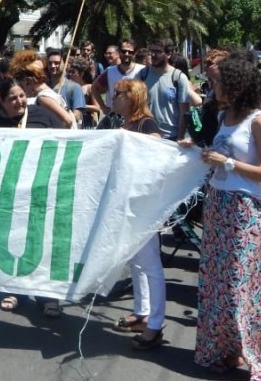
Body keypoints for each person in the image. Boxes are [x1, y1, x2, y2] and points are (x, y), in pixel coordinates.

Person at [195, 57, 261, 380]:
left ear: (237, 87)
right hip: (217, 204)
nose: (214, 88)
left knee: (243, 286)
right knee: (217, 285)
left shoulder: (258, 120)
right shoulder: (221, 115)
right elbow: (216, 155)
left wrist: (228, 163)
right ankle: (225, 349)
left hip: (244, 209)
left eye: (220, 84)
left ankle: (258, 355)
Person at [0, 79, 67, 317]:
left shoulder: (43, 115)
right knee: (13, 240)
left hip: (40, 188)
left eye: (21, 96)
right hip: (10, 191)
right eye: (12, 98)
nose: (19, 101)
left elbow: (65, 142)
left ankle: (48, 296)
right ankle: (14, 289)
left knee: (41, 242)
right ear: (3, 102)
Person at [102, 79, 166, 350]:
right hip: (126, 202)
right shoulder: (124, 124)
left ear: (132, 97)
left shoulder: (146, 124)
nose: (113, 97)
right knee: (136, 262)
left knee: (150, 264)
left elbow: (159, 152)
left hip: (143, 204)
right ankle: (142, 312)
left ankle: (155, 325)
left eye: (117, 93)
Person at [140, 39, 192, 142]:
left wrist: (180, 137)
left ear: (168, 54)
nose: (153, 55)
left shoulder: (178, 77)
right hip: (147, 136)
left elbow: (184, 111)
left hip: (170, 137)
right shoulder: (143, 74)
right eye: (152, 51)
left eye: (158, 52)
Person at [8, 51, 76, 129]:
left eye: (22, 86)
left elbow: (67, 120)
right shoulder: (48, 93)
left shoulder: (43, 98)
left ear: (28, 81)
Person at [92, 41, 145, 114]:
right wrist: (103, 107)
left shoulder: (142, 70)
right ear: (119, 52)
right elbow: (94, 88)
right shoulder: (110, 71)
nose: (127, 54)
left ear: (135, 53)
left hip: (135, 115)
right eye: (124, 51)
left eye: (130, 52)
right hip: (114, 116)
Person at [46, 48, 87, 125]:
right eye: (50, 63)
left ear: (65, 64)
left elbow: (77, 116)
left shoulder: (74, 87)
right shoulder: (44, 87)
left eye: (56, 63)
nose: (53, 66)